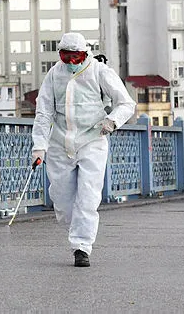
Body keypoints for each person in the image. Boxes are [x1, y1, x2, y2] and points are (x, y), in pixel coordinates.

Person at [30, 32, 136, 267]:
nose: (70, 62)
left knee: (88, 196)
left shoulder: (100, 71)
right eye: (65, 57)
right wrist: (39, 146)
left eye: (75, 57)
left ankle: (81, 247)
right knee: (62, 199)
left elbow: (126, 103)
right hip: (60, 142)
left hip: (92, 141)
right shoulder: (54, 74)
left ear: (85, 54)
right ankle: (77, 230)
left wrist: (112, 121)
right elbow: (43, 111)